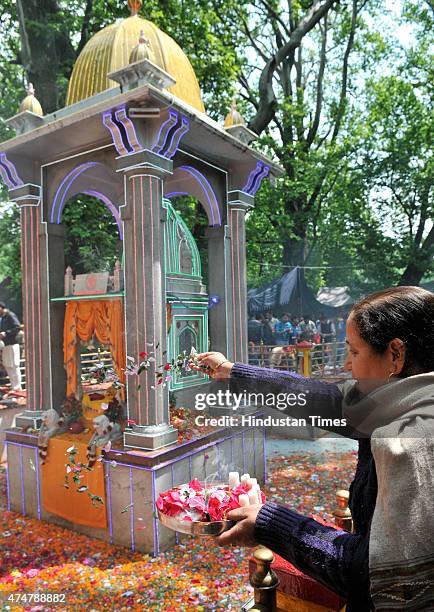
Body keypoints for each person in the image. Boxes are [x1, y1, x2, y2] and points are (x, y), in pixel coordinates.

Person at [196, 287, 434, 611]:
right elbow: (322, 399)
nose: (347, 364)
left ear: (395, 354)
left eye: (354, 351)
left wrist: (269, 522)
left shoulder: (413, 442)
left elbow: (369, 573)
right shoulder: (397, 403)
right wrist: (233, 372)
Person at [0, 302, 22, 391]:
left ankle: (17, 387)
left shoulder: (10, 315)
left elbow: (17, 327)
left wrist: (6, 333)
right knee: (8, 366)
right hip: (5, 345)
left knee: (14, 365)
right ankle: (14, 386)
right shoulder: (2, 318)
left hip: (12, 344)